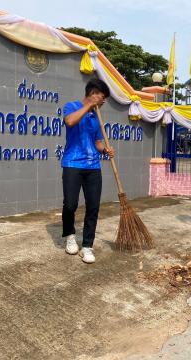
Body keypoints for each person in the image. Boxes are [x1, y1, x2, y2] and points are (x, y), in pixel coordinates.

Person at [61, 78, 114, 264]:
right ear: (93, 94)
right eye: (102, 96)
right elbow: (69, 121)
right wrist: (88, 106)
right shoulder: (72, 106)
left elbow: (98, 142)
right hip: (72, 163)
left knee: (93, 207)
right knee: (70, 204)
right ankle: (69, 235)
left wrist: (105, 150)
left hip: (93, 167)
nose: (104, 101)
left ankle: (87, 246)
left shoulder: (97, 117)